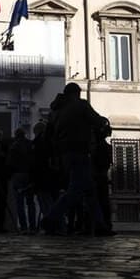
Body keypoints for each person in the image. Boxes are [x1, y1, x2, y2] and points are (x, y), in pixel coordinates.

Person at [39, 83, 107, 235]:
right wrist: (103, 123)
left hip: (64, 154)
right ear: (76, 93)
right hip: (79, 151)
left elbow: (49, 135)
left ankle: (100, 226)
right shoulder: (80, 105)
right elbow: (97, 120)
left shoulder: (55, 110)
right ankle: (50, 218)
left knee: (90, 191)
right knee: (75, 190)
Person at [6, 128, 34, 233]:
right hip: (29, 175)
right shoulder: (30, 144)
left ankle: (23, 227)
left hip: (17, 175)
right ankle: (33, 226)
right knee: (30, 202)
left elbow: (9, 162)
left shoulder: (14, 146)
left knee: (19, 203)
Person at [91, 121, 114, 236]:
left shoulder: (96, 147)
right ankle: (103, 225)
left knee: (99, 203)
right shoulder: (105, 147)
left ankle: (100, 226)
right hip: (100, 176)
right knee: (102, 203)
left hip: (97, 177)